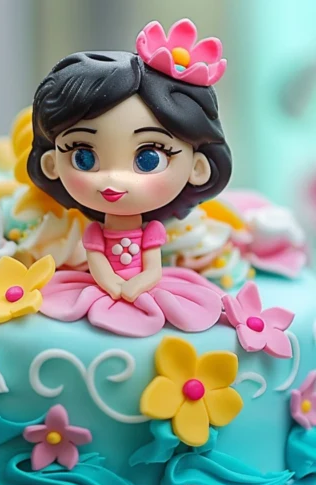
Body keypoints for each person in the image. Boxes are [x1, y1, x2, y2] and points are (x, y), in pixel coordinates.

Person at [28, 19, 231, 337]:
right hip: (104, 288)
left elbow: (153, 268)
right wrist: (112, 285)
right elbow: (97, 266)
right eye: (84, 156)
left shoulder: (153, 232)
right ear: (52, 163)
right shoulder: (94, 232)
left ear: (198, 168)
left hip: (141, 288)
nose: (113, 180)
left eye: (148, 158)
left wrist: (136, 286)